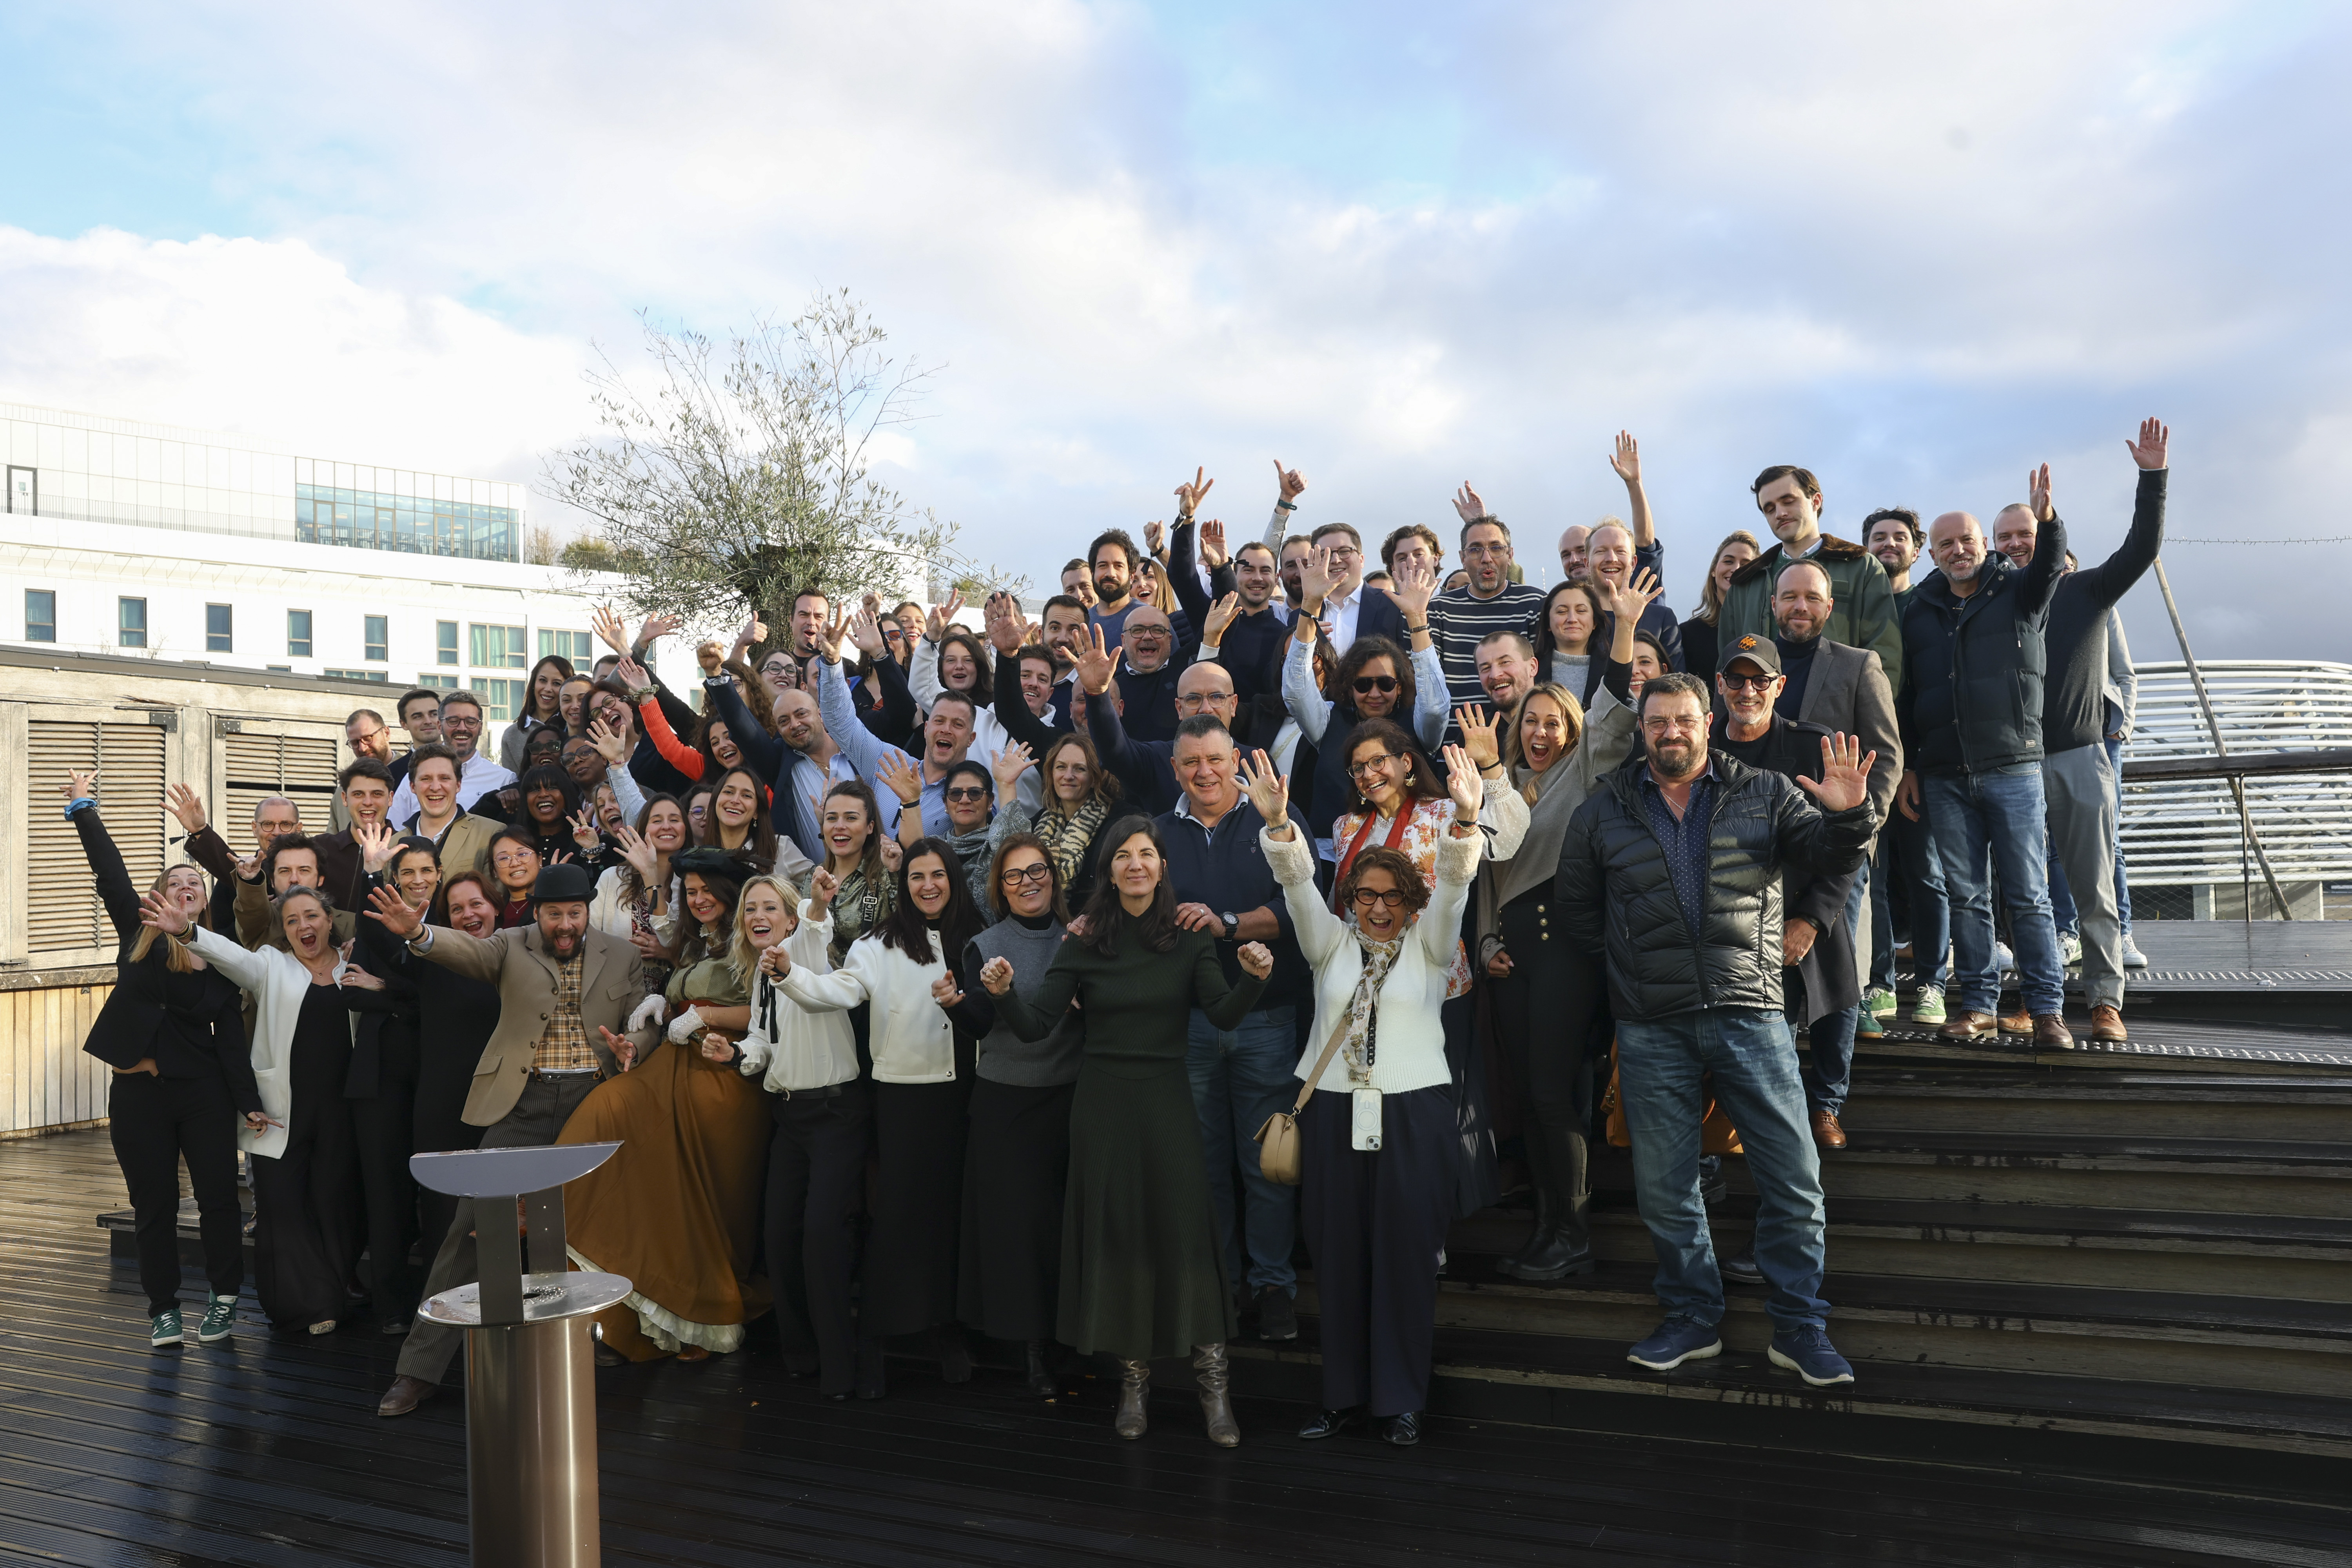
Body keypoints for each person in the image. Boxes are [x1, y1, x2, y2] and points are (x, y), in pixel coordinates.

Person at [1556, 671, 1878, 1389]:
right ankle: (1692, 1317)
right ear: (1642, 730)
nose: (1670, 732)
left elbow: (1831, 854)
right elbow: (1579, 913)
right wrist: (1636, 969)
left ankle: (1800, 1327)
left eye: (1683, 720)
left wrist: (1851, 815)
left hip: (1751, 1012)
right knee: (1666, 1190)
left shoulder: (1766, 791)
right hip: (1650, 1025)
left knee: (1793, 1179)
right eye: (1657, 722)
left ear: (1708, 722)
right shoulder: (1602, 809)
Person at [980, 818, 1274, 1446]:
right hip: (1103, 1106)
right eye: (1123, 856)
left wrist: (1252, 979)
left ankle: (1215, 1390)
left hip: (1167, 1100)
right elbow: (1035, 1026)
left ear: (1162, 867)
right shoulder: (1084, 939)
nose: (1136, 864)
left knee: (1186, 1237)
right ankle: (1134, 1385)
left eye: (1147, 854)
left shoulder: (1189, 937)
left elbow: (1223, 1014)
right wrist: (1003, 994)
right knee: (1119, 1240)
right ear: (1109, 871)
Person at [1247, 744, 1484, 1447]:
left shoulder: (1431, 947)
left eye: (1392, 897)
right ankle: (1342, 1398)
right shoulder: (1329, 946)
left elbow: (1454, 888)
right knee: (1338, 1258)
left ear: (1411, 904)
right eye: (1366, 896)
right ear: (1350, 901)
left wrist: (1465, 822)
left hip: (1415, 1117)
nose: (1379, 908)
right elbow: (1297, 887)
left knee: (1407, 1260)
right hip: (1331, 1114)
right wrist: (1280, 825)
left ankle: (1401, 1402)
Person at [365, 861, 661, 1417]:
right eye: (554, 915)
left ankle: (603, 1339)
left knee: (597, 1223)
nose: (565, 925)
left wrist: (634, 1046)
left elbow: (642, 1018)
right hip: (523, 1104)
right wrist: (418, 932)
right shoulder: (510, 944)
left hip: (593, 1104)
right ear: (537, 914)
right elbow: (464, 951)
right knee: (471, 1228)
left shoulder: (622, 954)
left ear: (588, 912)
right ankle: (417, 1371)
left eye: (575, 914)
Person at [772, 838, 985, 1398]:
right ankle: (878, 1341)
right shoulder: (876, 944)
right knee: (897, 1222)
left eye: (938, 875)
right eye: (917, 877)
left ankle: (948, 1330)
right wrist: (789, 975)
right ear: (903, 885)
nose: (928, 885)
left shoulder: (977, 935)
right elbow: (834, 991)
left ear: (954, 879)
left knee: (954, 1220)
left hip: (969, 1096)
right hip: (905, 1098)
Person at [1478, 612, 1646, 1283]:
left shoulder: (1583, 772)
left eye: (1554, 723)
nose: (1541, 733)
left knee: (1554, 1096)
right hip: (1511, 955)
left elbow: (1613, 716)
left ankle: (1572, 1234)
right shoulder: (1498, 783)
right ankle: (1546, 1227)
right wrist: (1485, 941)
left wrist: (1624, 629)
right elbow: (1485, 875)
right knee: (1530, 1099)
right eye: (1531, 723)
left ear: (1572, 732)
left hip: (1563, 953)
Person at [65, 773, 260, 1349]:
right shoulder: (138, 933)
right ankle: (163, 1309)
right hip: (139, 1094)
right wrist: (83, 808)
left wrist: (249, 1103)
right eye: (174, 881)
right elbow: (110, 873)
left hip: (203, 1094)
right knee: (154, 1206)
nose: (185, 885)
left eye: (193, 881)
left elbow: (231, 1042)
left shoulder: (222, 960)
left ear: (204, 900)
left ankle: (225, 1298)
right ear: (158, 897)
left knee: (219, 1200)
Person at [558, 850, 773, 1363]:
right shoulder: (697, 942)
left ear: (730, 894)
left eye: (707, 890)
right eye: (691, 891)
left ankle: (699, 1313)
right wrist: (665, 1004)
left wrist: (706, 1015)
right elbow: (685, 999)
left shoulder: (754, 935)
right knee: (605, 1112)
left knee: (698, 1202)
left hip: (723, 1074)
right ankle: (561, 1207)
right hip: (673, 1067)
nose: (698, 899)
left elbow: (770, 1007)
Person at [1148, 715, 1314, 1342]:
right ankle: (1218, 1285)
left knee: (1266, 1162)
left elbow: (1301, 908)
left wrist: (1227, 923)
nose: (1204, 772)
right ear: (1175, 770)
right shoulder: (1156, 834)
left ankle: (1273, 1286)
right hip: (1188, 1023)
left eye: (1215, 759)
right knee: (1203, 1165)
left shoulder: (1275, 823)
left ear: (1235, 760)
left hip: (1265, 1018)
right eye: (1191, 762)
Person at [2003, 419, 2169, 1043]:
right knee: (2024, 891)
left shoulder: (2089, 590)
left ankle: (2104, 1000)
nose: (2016, 545)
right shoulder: (1997, 604)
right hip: (2013, 764)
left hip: (2079, 755)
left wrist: (2153, 478)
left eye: (2026, 533)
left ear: (2047, 531)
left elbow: (2143, 548)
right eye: (2005, 538)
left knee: (2094, 887)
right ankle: (2037, 997)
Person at [139, 880, 365, 1337]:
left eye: (312, 916)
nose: (303, 925)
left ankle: (333, 1292)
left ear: (330, 920)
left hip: (342, 1113)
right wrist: (187, 932)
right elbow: (230, 955)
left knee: (334, 1205)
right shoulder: (271, 965)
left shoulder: (354, 968)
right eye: (292, 920)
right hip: (280, 1113)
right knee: (282, 1208)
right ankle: (305, 1305)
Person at [1897, 468, 2072, 1050]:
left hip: (2013, 767)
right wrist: (1912, 765)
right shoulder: (1917, 610)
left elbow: (2049, 562)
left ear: (1984, 544)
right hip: (1945, 775)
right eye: (1945, 544)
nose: (1958, 550)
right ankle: (1977, 1005)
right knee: (1967, 897)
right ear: (1932, 553)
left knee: (2028, 896)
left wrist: (2048, 521)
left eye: (1967, 540)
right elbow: (1907, 694)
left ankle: (2047, 1010)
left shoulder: (2019, 590)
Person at [1327, 713, 1528, 1217]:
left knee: (1434, 1104)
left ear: (1407, 763)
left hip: (1437, 987)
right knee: (1382, 1107)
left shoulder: (1443, 812)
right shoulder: (1346, 827)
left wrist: (1490, 773)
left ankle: (1434, 1220)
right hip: (1368, 994)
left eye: (1378, 761)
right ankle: (1390, 1209)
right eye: (1358, 768)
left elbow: (1508, 840)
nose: (1369, 774)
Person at [1711, 634, 1883, 1154]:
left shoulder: (1813, 745)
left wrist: (1811, 918)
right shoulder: (1702, 747)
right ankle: (1760, 1123)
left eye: (1760, 680)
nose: (1747, 691)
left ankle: (1827, 1104)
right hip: (1735, 919)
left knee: (1836, 996)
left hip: (1806, 899)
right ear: (1719, 685)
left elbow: (1848, 847)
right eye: (1736, 679)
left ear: (1780, 686)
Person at [939, 835, 1085, 1397]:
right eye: (1015, 875)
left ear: (1054, 876)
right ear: (1000, 888)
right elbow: (981, 1020)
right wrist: (956, 1006)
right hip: (1008, 1104)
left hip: (1071, 1097)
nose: (1029, 883)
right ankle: (1033, 1352)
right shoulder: (986, 944)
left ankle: (1071, 1336)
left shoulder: (1081, 937)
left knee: (1063, 1228)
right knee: (1021, 1233)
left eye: (1037, 871)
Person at [1762, 560, 1903, 1096]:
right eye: (1789, 597)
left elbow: (1887, 757)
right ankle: (1776, 1096)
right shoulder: (1752, 668)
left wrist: (1860, 829)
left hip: (1837, 842)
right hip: (1768, 846)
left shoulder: (1859, 665)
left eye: (1811, 598)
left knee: (1837, 973)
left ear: (1829, 606)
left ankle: (1827, 1100)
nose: (1800, 606)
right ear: (1773, 605)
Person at [736, 871, 867, 1397]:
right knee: (779, 1236)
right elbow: (761, 1040)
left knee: (822, 1236)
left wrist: (817, 906)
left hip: (836, 1113)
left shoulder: (805, 949)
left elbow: (816, 930)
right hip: (789, 1116)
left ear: (790, 919)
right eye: (751, 909)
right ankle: (801, 1354)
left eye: (770, 908)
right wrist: (735, 1054)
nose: (759, 916)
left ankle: (842, 1369)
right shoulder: (760, 973)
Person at [354, 859, 504, 1269]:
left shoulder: (520, 954)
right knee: (445, 1220)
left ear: (496, 906)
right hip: (444, 1110)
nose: (468, 914)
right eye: (456, 909)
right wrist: (371, 874)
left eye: (476, 904)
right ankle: (444, 1304)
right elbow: (376, 935)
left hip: (503, 1109)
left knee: (501, 1216)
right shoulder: (432, 959)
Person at [1285, 554, 1449, 860]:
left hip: (1409, 854)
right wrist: (1309, 607)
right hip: (1335, 856)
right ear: (1349, 687)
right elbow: (1296, 691)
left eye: (1385, 683)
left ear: (1400, 686)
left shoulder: (1418, 725)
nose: (1375, 693)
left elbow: (1435, 709)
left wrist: (1417, 621)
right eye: (1363, 685)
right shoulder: (1329, 721)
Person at [1858, 507, 1949, 1029]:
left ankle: (1934, 982)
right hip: (1865, 767)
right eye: (1878, 538)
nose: (1888, 545)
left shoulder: (1928, 605)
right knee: (1871, 879)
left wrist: (1910, 763)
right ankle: (1880, 982)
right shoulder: (1858, 609)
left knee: (1926, 875)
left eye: (1899, 537)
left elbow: (1923, 693)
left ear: (1917, 550)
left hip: (1917, 767)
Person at [1718, 466, 1904, 695]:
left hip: (1840, 712)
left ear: (1816, 501)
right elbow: (1726, 663)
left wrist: (1872, 711)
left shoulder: (1862, 568)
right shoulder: (1745, 584)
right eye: (1770, 509)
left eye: (1788, 501)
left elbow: (1885, 653)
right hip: (1758, 711)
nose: (1780, 513)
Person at [1427, 494, 1548, 723]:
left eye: (1496, 548)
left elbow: (1543, 678)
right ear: (1462, 558)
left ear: (1510, 555)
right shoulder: (1439, 609)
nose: (1486, 558)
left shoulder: (1536, 603)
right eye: (1475, 550)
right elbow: (1430, 684)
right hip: (1457, 737)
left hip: (1522, 736)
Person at [988, 731, 1121, 909]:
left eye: (1080, 769)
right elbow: (1009, 859)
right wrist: (1006, 784)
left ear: (1095, 778)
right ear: (1051, 774)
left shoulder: (1116, 824)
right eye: (1061, 767)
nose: (1068, 776)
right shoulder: (1037, 824)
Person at [592, 795, 689, 994]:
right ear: (643, 829)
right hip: (615, 995)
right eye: (657, 821)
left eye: (674, 820)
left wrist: (669, 954)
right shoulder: (613, 878)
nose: (666, 826)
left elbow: (682, 945)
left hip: (675, 1000)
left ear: (686, 829)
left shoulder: (694, 884)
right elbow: (590, 937)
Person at [388, 691, 515, 824]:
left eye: (471, 722)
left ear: (480, 727)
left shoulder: (504, 780)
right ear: (439, 726)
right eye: (453, 721)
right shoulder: (414, 779)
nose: (462, 728)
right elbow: (396, 831)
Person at [391, 743, 503, 880]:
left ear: (458, 785)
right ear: (413, 786)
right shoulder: (393, 845)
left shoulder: (490, 834)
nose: (435, 787)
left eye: (444, 778)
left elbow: (496, 892)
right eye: (426, 779)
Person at [1679, 530, 1762, 685]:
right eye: (1729, 562)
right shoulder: (1687, 634)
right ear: (1714, 570)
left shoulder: (1767, 630)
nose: (1736, 569)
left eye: (1745, 565)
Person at [498, 654, 577, 773]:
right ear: (534, 684)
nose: (548, 689)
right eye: (543, 681)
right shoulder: (512, 735)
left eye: (557, 683)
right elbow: (512, 781)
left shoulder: (575, 726)